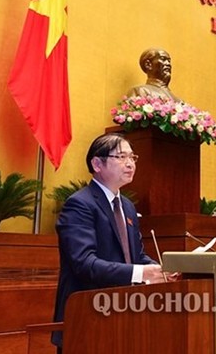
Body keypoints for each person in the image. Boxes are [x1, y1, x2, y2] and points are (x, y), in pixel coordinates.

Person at [51, 133, 176, 352]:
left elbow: (135, 256)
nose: (130, 164)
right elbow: (84, 263)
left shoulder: (126, 206)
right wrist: (142, 273)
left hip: (123, 313)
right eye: (121, 157)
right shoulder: (79, 204)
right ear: (97, 163)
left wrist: (164, 270)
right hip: (87, 316)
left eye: (132, 157)